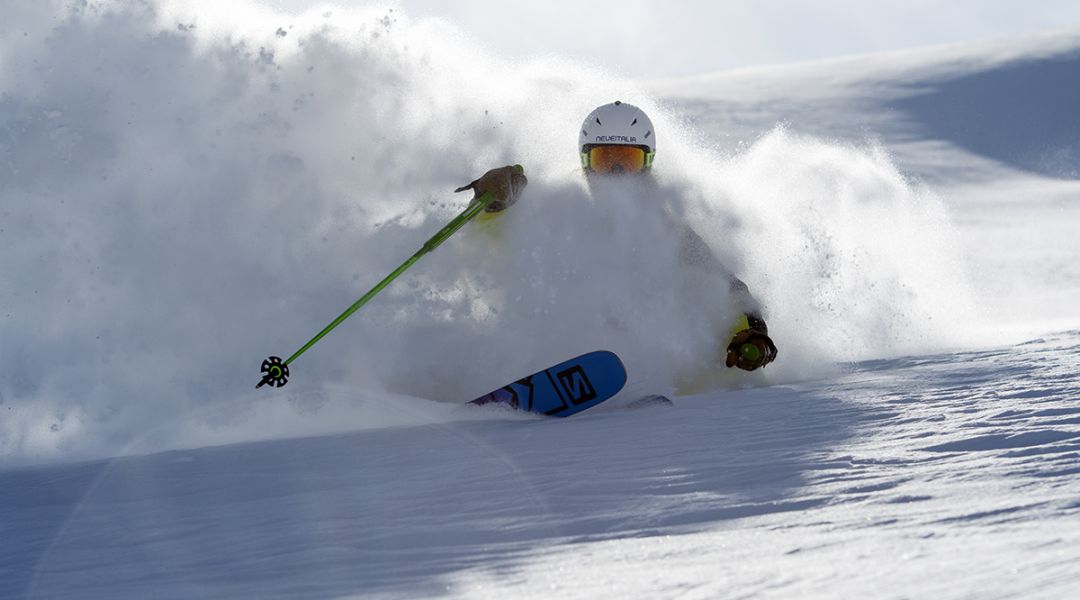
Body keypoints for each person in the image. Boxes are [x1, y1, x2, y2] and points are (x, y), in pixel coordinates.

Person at [455, 100, 777, 374]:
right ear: (585, 161)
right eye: (605, 160)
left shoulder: (664, 230)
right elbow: (489, 241)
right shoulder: (557, 207)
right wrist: (494, 206)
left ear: (648, 163)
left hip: (635, 353)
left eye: (628, 160)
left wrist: (751, 333)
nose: (617, 174)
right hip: (542, 338)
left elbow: (725, 286)